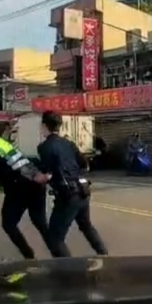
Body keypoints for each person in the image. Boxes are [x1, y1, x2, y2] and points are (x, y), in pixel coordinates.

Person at [0, 116, 50, 260]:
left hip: (19, 189)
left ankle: (29, 257)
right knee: (41, 224)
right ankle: (61, 253)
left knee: (8, 224)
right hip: (35, 184)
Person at [36, 110, 108, 258]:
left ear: (44, 126)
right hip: (83, 191)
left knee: (55, 239)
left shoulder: (44, 147)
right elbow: (83, 164)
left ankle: (68, 271)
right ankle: (104, 254)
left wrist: (33, 177)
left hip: (68, 196)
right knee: (86, 226)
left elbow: (46, 175)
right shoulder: (69, 143)